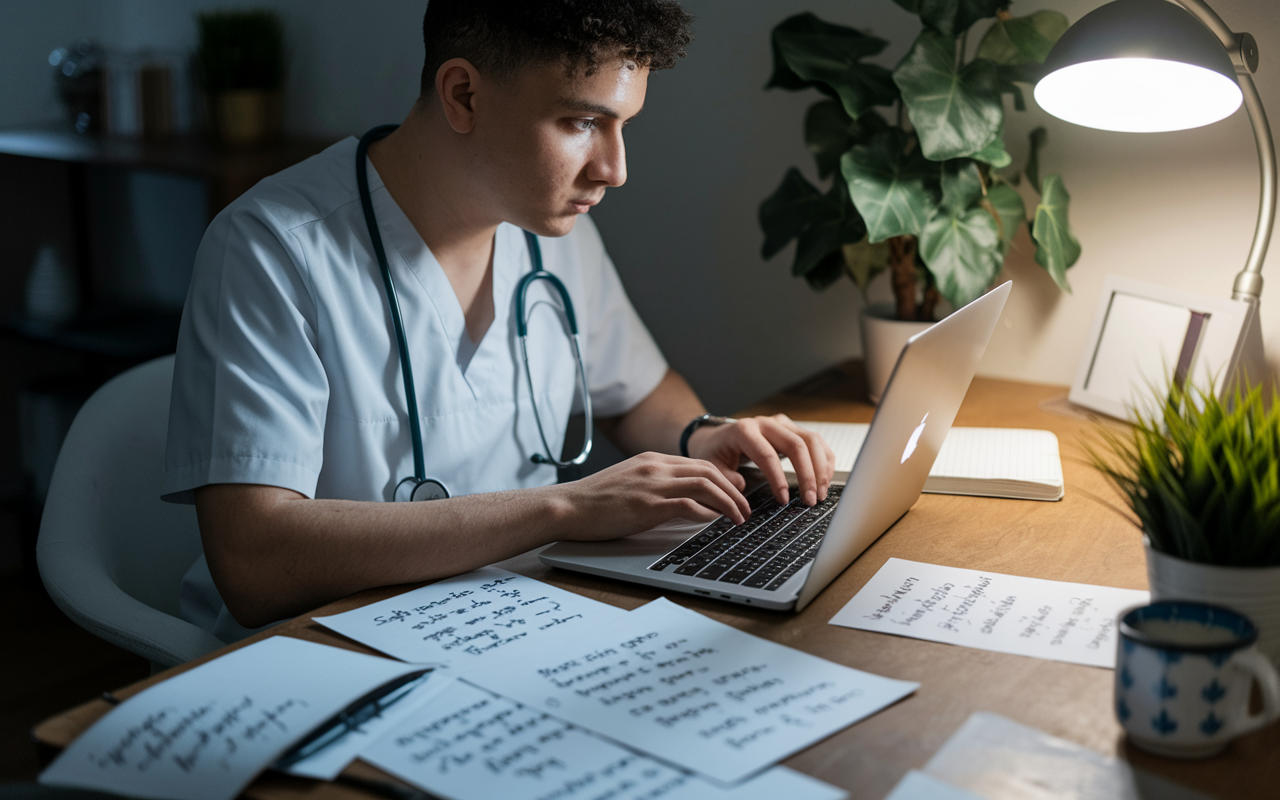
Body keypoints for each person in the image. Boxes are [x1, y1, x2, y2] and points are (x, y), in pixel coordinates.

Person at [163, 0, 834, 641]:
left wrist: (702, 435)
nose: (615, 169)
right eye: (581, 123)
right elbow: (253, 564)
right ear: (464, 95)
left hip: (518, 619)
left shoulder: (553, 229)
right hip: (324, 650)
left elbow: (640, 395)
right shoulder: (271, 249)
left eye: (623, 125)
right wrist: (565, 508)